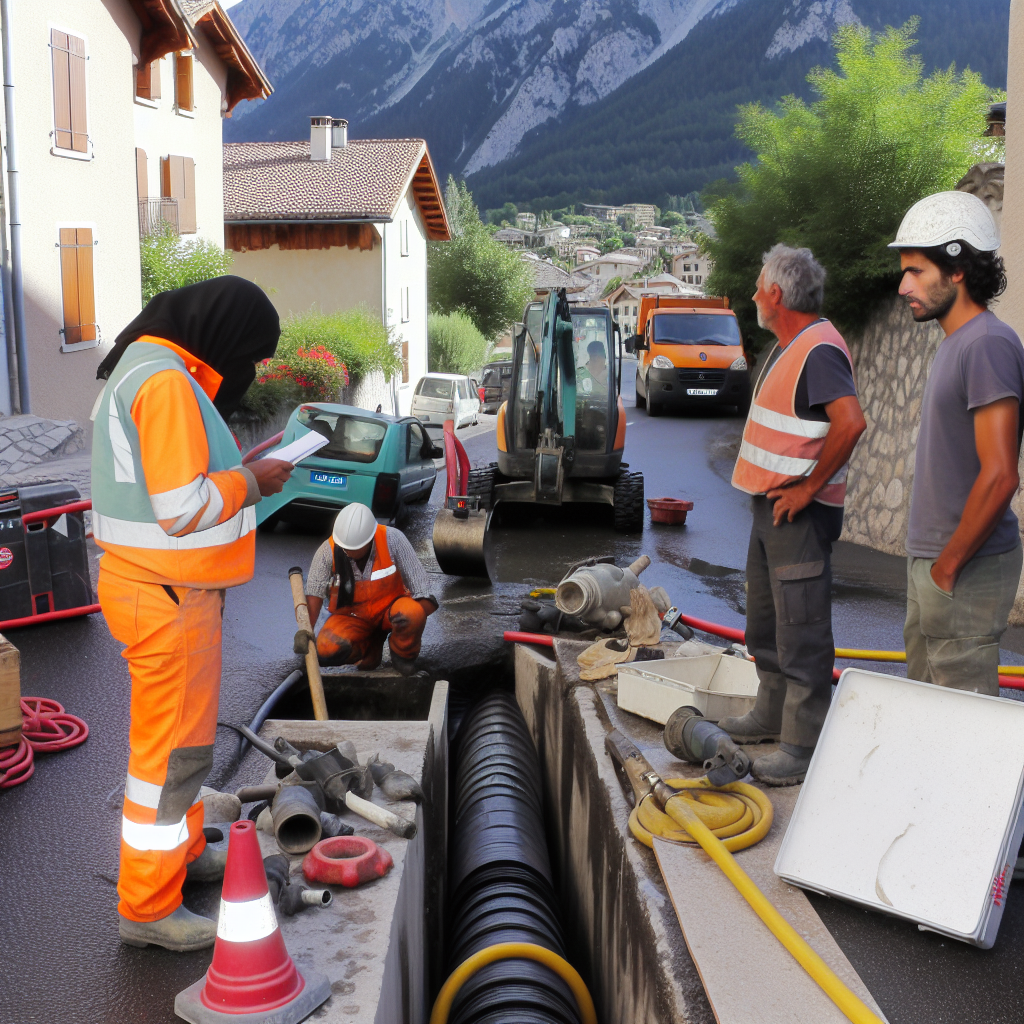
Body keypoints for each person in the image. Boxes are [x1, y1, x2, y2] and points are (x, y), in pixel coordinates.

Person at [92, 277, 294, 951]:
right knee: (166, 758)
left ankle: (176, 860)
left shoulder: (143, 366)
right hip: (166, 596)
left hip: (156, 589)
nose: (252, 369)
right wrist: (251, 482)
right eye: (253, 354)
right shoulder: (169, 384)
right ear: (227, 335)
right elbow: (182, 508)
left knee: (183, 748)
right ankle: (147, 907)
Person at [722, 245, 866, 786]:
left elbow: (850, 423)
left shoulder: (818, 349)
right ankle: (770, 713)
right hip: (771, 509)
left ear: (776, 294)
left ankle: (802, 745)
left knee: (801, 627)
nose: (755, 294)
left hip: (797, 514)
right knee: (765, 620)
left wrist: (808, 489)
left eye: (760, 286)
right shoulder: (789, 346)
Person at [889, 191, 1024, 693]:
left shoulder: (987, 344)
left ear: (958, 268)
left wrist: (946, 569)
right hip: (936, 564)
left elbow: (1000, 473)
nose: (903, 286)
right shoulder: (955, 344)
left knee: (962, 730)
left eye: (916, 271)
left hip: (963, 569)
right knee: (930, 718)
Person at [301, 503, 437, 676]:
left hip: (391, 610)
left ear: (370, 538)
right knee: (327, 650)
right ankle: (368, 648)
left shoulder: (393, 539)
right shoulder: (327, 551)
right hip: (353, 617)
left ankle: (402, 657)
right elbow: (314, 595)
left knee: (413, 613)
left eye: (354, 548)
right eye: (345, 548)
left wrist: (407, 627)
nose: (348, 552)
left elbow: (422, 591)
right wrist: (306, 632)